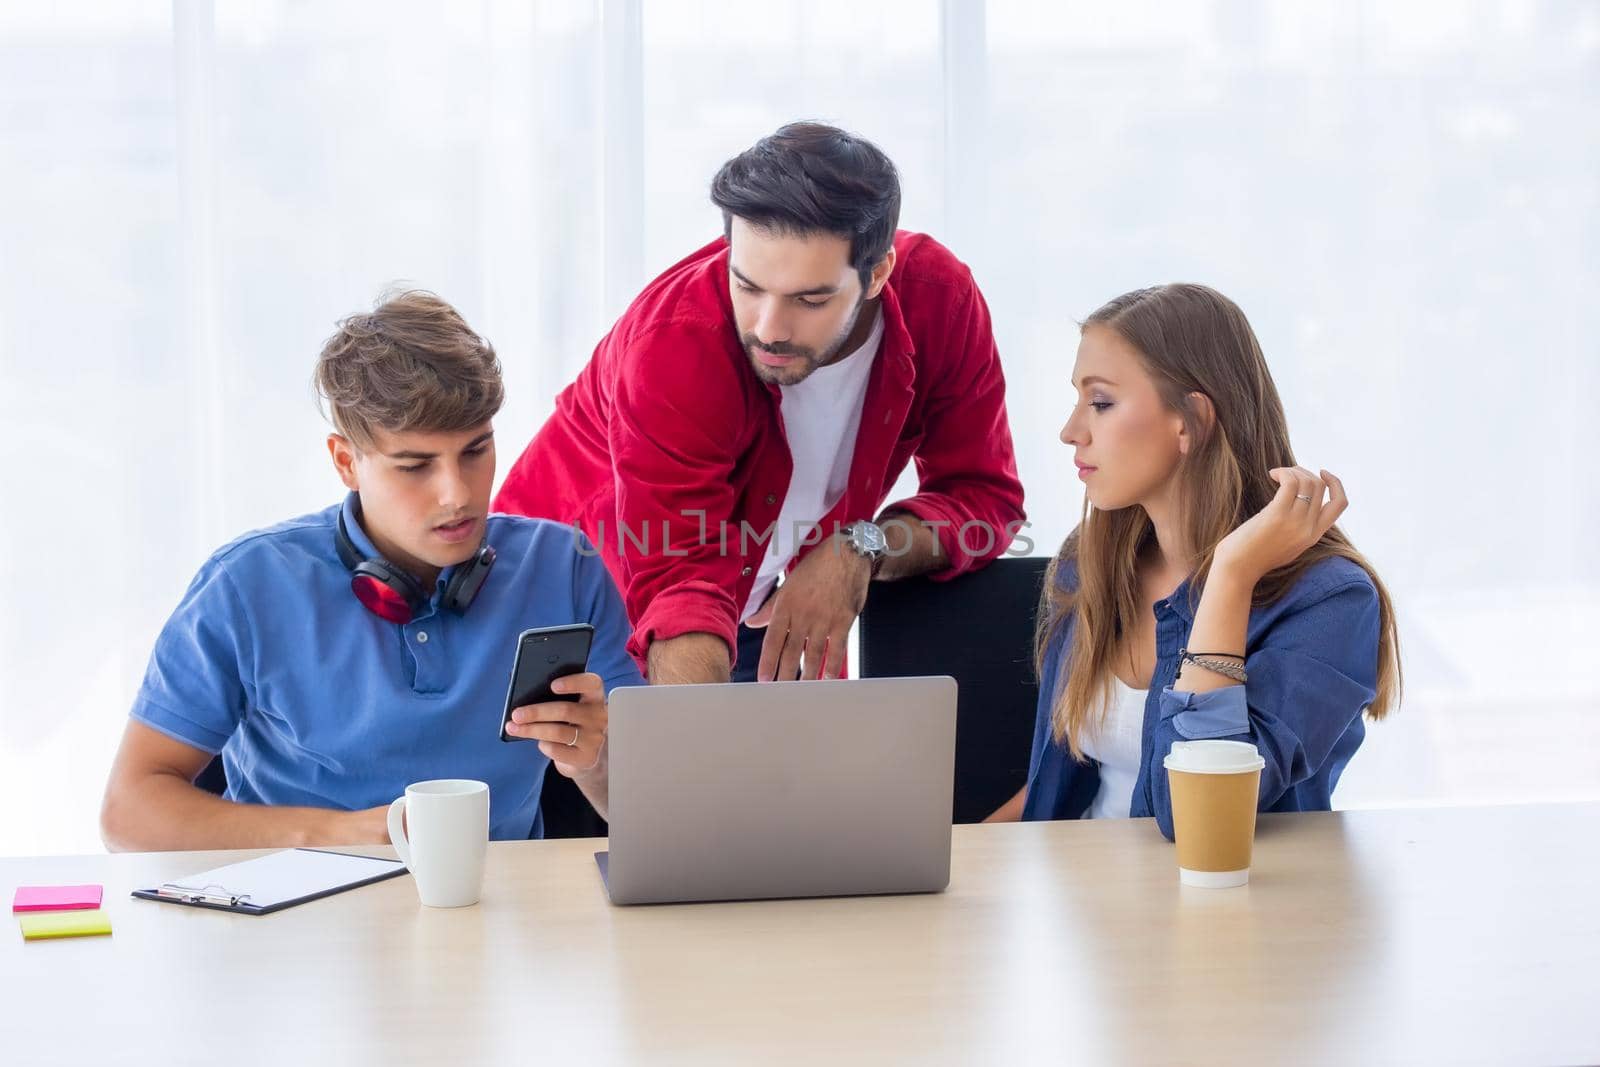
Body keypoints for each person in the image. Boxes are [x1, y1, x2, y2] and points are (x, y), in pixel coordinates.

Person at [100, 291, 641, 851]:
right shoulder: (246, 585)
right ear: (345, 461)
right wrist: (347, 836)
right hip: (298, 916)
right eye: (415, 465)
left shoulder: (564, 568)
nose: (457, 495)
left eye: (475, 451)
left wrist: (593, 765)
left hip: (499, 920)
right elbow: (129, 812)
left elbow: (647, 813)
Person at [493, 122, 1026, 684]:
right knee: (694, 768)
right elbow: (679, 579)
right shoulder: (674, 343)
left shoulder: (937, 300)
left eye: (810, 299)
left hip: (749, 611)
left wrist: (861, 547)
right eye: (746, 285)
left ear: (878, 274)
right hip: (567, 614)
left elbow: (985, 496)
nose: (769, 330)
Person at [987, 284, 1400, 837]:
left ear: (1191, 421)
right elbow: (1060, 785)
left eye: (1101, 403)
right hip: (1082, 909)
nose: (1070, 431)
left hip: (1224, 914)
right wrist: (957, 857)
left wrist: (1230, 576)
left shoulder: (1331, 601)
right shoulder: (1087, 564)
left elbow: (1198, 818)